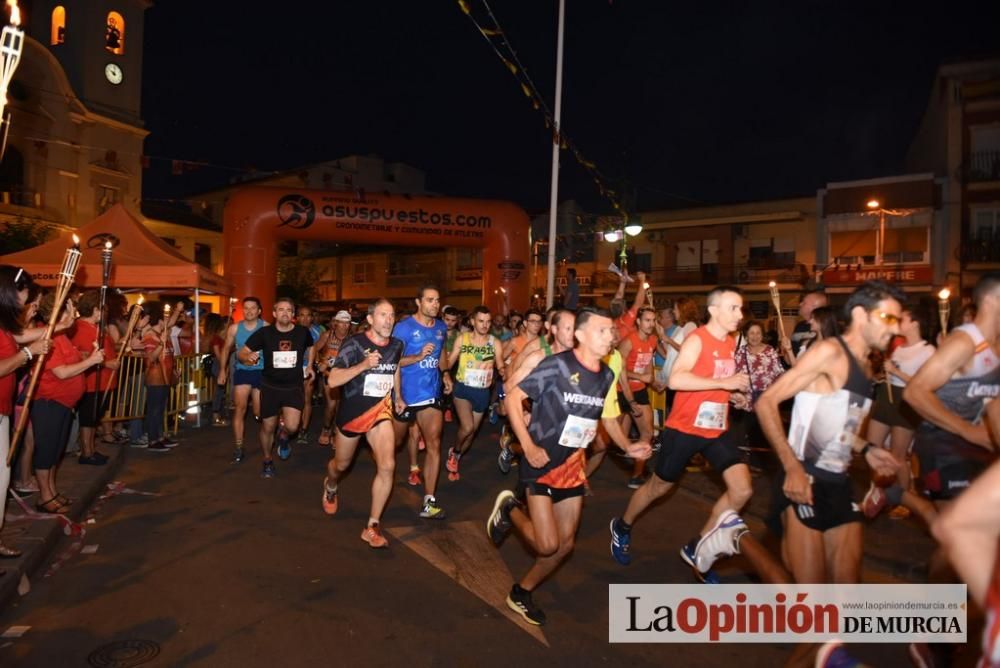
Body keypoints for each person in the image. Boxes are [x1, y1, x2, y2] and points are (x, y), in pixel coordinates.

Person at [751, 281, 903, 668]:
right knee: (817, 620)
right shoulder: (828, 352)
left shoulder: (868, 364)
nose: (895, 327)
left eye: (898, 320)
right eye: (888, 317)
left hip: (839, 483)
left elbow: (839, 424)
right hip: (805, 481)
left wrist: (868, 449)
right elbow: (767, 402)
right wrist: (791, 468)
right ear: (859, 316)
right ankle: (737, 540)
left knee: (844, 615)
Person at [487, 308, 650, 626]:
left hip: (574, 465)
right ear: (581, 335)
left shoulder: (605, 374)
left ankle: (522, 591)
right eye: (603, 331)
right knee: (546, 544)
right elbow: (512, 399)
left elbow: (605, 416)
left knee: (563, 548)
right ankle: (509, 508)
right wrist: (529, 446)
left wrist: (628, 445)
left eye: (611, 331)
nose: (610, 337)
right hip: (542, 460)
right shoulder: (556, 366)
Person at [609, 286, 752, 582]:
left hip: (716, 428)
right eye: (733, 308)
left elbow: (715, 383)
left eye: (740, 308)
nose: (740, 314)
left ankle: (698, 547)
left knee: (742, 490)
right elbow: (676, 379)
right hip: (685, 428)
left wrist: (733, 395)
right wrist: (725, 382)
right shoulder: (697, 339)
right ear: (713, 310)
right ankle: (622, 526)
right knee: (658, 487)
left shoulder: (731, 342)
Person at [322, 299, 405, 548]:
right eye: (382, 315)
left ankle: (372, 526)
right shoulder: (355, 344)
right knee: (341, 465)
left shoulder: (397, 345)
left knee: (388, 466)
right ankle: (331, 484)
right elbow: (333, 380)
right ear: (370, 319)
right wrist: (363, 365)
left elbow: (395, 367)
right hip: (353, 414)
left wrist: (398, 396)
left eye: (391, 315)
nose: (388, 320)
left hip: (381, 412)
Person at [861, 303, 936, 522]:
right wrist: (883, 376)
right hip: (886, 398)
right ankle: (876, 494)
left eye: (902, 319)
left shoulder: (927, 350)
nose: (898, 323)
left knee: (898, 456)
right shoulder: (899, 348)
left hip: (906, 402)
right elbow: (890, 374)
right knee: (872, 448)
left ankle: (904, 500)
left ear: (915, 323)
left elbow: (926, 384)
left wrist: (896, 372)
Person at [32, 294, 104, 512]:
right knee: (46, 450)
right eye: (71, 309)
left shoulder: (62, 336)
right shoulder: (50, 337)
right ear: (59, 313)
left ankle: (52, 491)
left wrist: (85, 357)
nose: (75, 313)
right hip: (49, 402)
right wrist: (91, 361)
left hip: (63, 403)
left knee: (56, 450)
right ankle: (44, 497)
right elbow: (61, 373)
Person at [0, 267, 51, 555]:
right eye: (23, 292)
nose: (26, 298)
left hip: (3, 411)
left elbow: (24, 334)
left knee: (2, 480)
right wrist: (28, 354)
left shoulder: (6, 324)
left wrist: (60, 324)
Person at [394, 285, 452, 519]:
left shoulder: (440, 327)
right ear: (418, 302)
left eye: (437, 300)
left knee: (434, 444)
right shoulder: (403, 328)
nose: (435, 305)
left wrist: (446, 373)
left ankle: (429, 501)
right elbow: (393, 362)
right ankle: (385, 474)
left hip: (430, 394)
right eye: (430, 300)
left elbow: (442, 353)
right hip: (405, 396)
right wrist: (418, 357)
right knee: (395, 444)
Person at [446, 305, 505, 480]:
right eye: (481, 321)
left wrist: (502, 370)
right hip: (463, 388)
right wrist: (443, 374)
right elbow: (449, 363)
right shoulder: (462, 339)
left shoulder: (495, 342)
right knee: (467, 426)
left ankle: (455, 455)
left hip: (482, 392)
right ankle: (456, 451)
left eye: (488, 322)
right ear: (472, 321)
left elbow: (500, 363)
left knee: (471, 435)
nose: (485, 325)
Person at [69, 290, 119, 466]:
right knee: (87, 419)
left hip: (102, 381)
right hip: (90, 382)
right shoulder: (80, 328)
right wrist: (106, 364)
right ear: (95, 309)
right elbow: (81, 356)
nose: (105, 313)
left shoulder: (95, 327)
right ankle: (86, 452)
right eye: (102, 309)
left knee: (93, 418)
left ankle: (91, 449)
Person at [217, 297, 267, 463]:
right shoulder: (234, 329)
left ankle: (275, 429)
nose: (249, 311)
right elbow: (225, 349)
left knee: (259, 413)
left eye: (253, 308)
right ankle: (238, 446)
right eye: (246, 308)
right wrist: (222, 371)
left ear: (259, 311)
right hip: (242, 371)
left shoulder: (266, 327)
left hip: (262, 372)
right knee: (240, 408)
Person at [617, 306, 658, 488]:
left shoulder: (653, 340)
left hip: (640, 391)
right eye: (647, 320)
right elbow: (619, 369)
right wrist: (640, 376)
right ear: (639, 322)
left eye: (653, 320)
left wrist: (651, 380)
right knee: (605, 441)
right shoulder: (628, 342)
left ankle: (637, 475)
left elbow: (648, 364)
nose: (651, 324)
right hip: (620, 391)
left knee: (647, 432)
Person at [314, 310, 352, 446]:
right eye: (341, 323)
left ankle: (336, 431)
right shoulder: (327, 335)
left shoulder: (353, 338)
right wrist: (319, 363)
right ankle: (326, 429)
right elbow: (315, 350)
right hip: (329, 374)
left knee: (342, 406)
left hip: (346, 374)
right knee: (331, 405)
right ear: (335, 323)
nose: (344, 326)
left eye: (347, 323)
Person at [140, 308, 175, 453]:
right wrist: (161, 343)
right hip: (155, 377)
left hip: (165, 377)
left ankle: (160, 436)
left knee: (161, 409)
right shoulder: (150, 336)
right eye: (165, 318)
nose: (168, 321)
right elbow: (151, 358)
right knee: (154, 409)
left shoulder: (162, 334)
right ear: (160, 320)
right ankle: (152, 439)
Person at [295, 305, 323, 445]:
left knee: (306, 399)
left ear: (312, 318)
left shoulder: (318, 332)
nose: (305, 318)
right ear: (297, 317)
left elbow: (321, 350)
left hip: (308, 368)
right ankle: (289, 426)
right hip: (292, 369)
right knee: (291, 399)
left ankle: (303, 430)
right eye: (302, 315)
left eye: (308, 315)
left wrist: (317, 362)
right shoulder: (290, 330)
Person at [788, 289, 828, 358]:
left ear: (815, 307)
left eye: (804, 302)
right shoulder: (800, 326)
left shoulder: (828, 329)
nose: (800, 304)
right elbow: (790, 359)